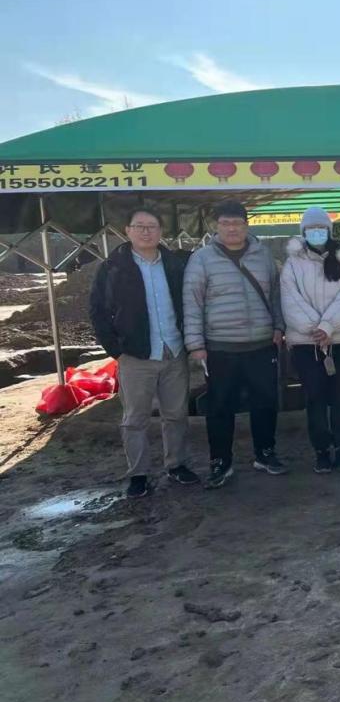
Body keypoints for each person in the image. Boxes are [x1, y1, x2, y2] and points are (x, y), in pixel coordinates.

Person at [89, 207, 198, 498]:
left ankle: (176, 464)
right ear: (127, 231)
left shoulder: (175, 264)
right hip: (135, 356)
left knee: (175, 414)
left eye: (152, 226)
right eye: (139, 226)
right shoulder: (113, 268)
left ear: (161, 231)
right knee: (135, 419)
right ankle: (138, 474)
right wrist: (116, 350)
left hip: (173, 350)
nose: (146, 231)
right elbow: (98, 312)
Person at [183, 200, 287, 488]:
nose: (232, 229)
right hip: (220, 347)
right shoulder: (201, 259)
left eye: (237, 223)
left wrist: (279, 326)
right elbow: (192, 303)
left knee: (265, 402)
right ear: (216, 226)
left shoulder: (262, 255)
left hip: (261, 344)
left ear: (246, 225)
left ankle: (265, 453)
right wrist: (195, 344)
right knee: (220, 406)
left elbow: (276, 295)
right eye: (226, 223)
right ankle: (221, 461)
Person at [281, 207, 340, 473]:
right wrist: (315, 329)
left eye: (321, 228)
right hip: (306, 344)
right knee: (314, 398)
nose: (316, 232)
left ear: (328, 230)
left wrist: (327, 327)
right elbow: (290, 300)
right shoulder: (292, 265)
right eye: (311, 229)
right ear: (304, 232)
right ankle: (321, 450)